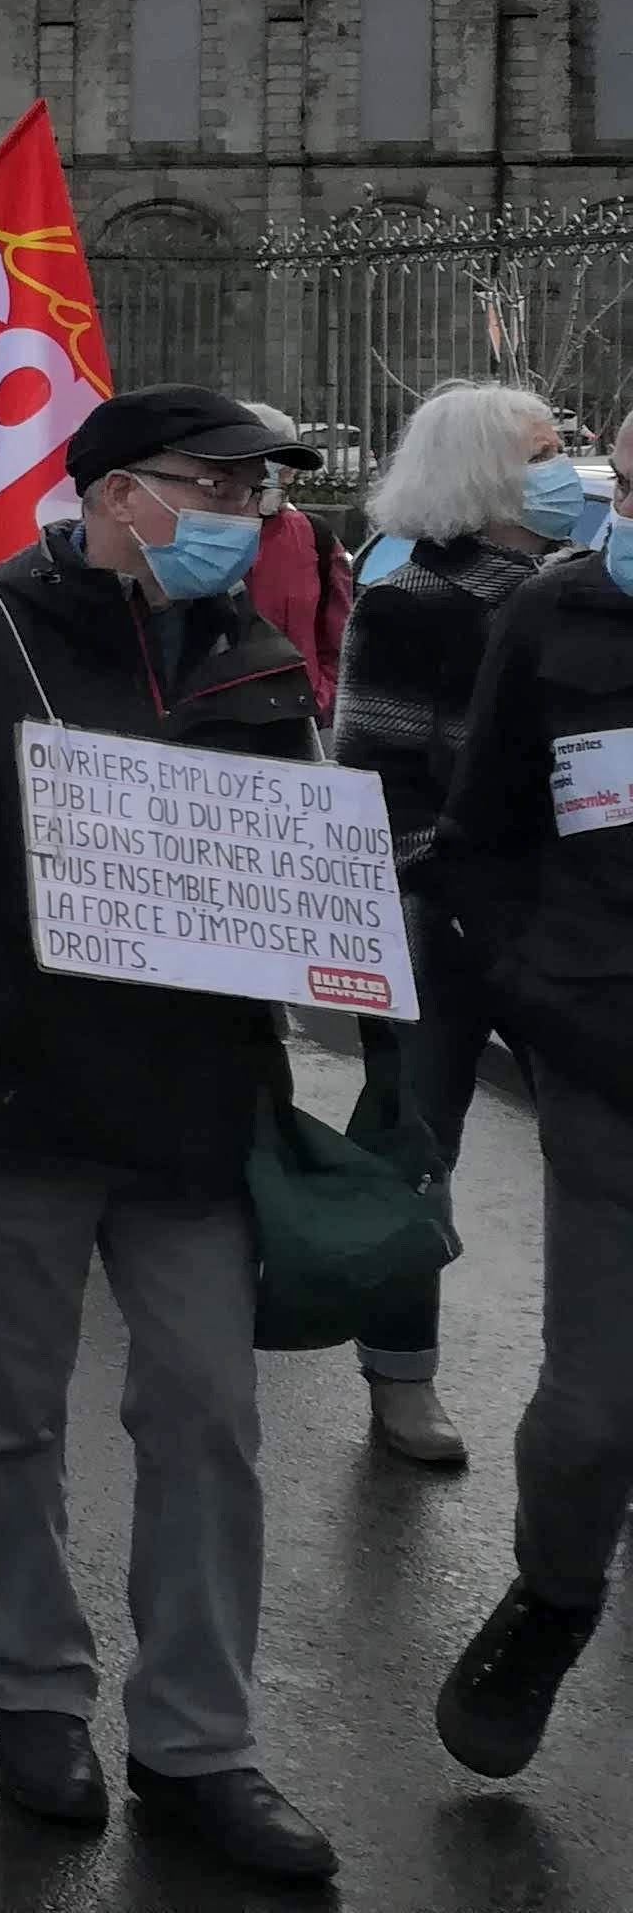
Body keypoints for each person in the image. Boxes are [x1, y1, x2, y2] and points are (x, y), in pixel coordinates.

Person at [0, 387, 336, 1884]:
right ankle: (35, 1695)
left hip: (187, 1115)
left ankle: (198, 1742)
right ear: (118, 493)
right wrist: (5, 1006)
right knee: (10, 1419)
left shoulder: (251, 657)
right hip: (15, 1106)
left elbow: (289, 861)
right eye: (213, 484)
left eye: (257, 492)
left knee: (206, 1420)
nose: (243, 514)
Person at [326, 381, 595, 1471]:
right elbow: (373, 785)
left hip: (577, 929)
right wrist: (456, 890)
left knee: (592, 1148)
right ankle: (399, 1379)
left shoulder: (584, 597)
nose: (563, 466)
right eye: (541, 450)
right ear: (481, 473)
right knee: (410, 1146)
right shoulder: (410, 605)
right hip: (443, 927)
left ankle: (591, 1393)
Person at [423, 388, 633, 1781]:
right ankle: (554, 1600)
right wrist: (543, 988)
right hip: (611, 1064)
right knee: (592, 1411)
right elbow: (481, 835)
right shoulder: (551, 619)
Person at [239, 403, 353, 721]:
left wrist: (320, 697)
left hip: (302, 719)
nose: (279, 475)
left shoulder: (315, 537)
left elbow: (339, 640)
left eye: (286, 466)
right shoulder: (194, 537)